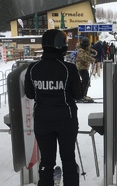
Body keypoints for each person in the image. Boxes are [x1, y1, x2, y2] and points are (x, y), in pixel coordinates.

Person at [24, 29, 83, 186]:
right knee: (68, 158)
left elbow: (29, 94)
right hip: (66, 120)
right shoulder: (68, 68)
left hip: (42, 120)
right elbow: (78, 94)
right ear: (60, 46)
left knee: (46, 161)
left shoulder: (33, 68)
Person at [75, 37, 97, 102]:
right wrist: (93, 59)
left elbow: (90, 51)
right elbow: (85, 57)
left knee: (86, 81)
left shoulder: (85, 49)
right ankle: (82, 95)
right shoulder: (80, 50)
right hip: (81, 67)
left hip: (84, 67)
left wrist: (93, 52)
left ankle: (83, 94)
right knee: (85, 81)